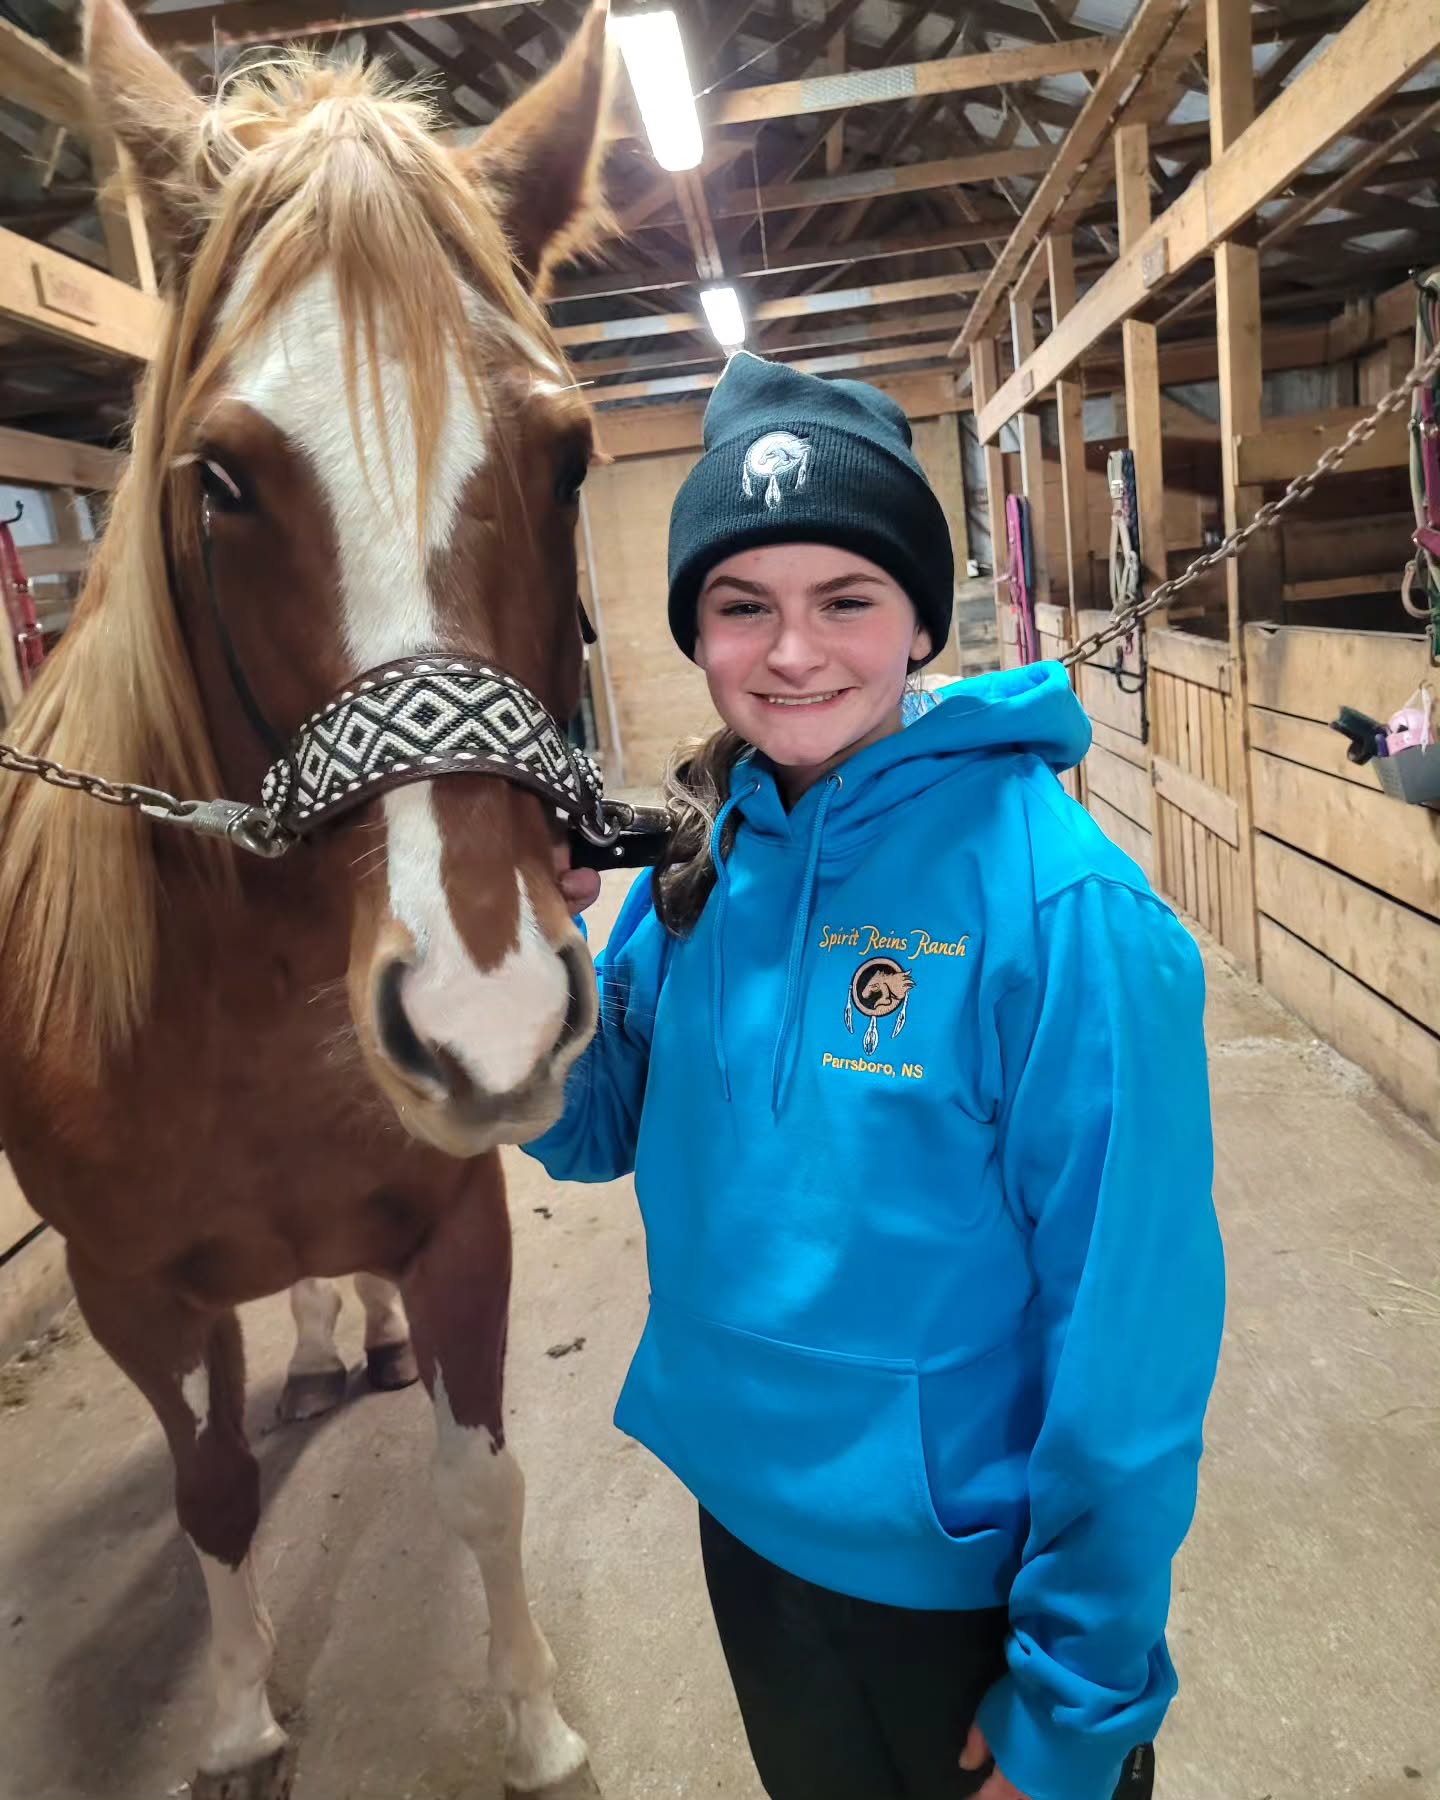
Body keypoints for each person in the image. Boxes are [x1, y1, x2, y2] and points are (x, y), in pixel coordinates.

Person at [538, 352, 1225, 1800]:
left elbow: (1134, 1331)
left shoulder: (1062, 911)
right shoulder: (697, 867)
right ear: (697, 635)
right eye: (742, 606)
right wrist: (523, 958)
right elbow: (593, 1126)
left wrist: (1079, 1700)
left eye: (844, 599)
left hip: (958, 1587)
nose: (793, 653)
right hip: (749, 1534)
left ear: (922, 616)